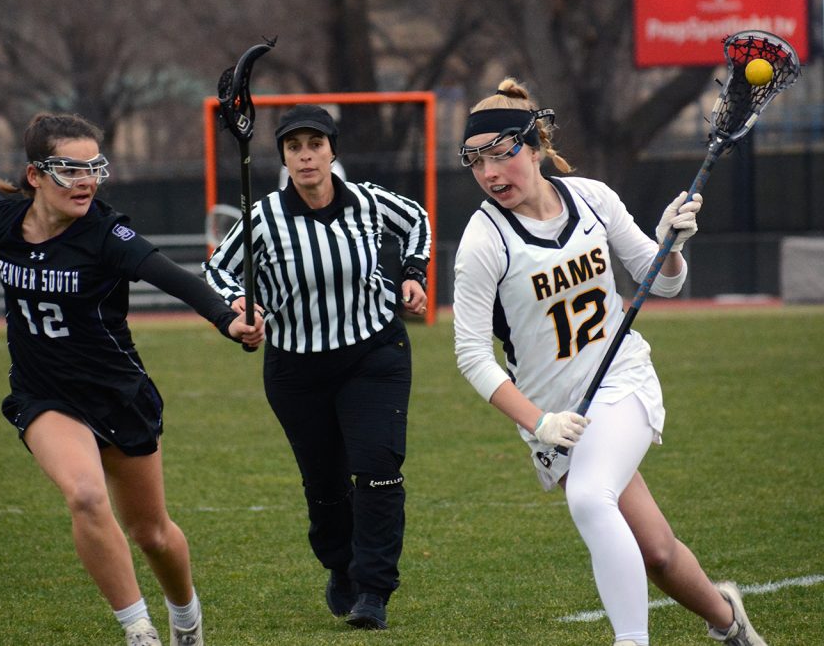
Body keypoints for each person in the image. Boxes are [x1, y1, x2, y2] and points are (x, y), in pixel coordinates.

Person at [0, 112, 264, 646]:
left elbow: (173, 277)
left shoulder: (107, 235)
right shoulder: (1, 220)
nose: (86, 181)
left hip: (117, 394)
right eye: (70, 170)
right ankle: (139, 632)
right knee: (84, 496)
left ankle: (186, 618)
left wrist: (228, 318)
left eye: (94, 168)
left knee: (151, 533)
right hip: (45, 395)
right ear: (35, 175)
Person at [452, 78, 768, 646]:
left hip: (622, 380)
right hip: (558, 418)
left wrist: (671, 244)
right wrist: (539, 421)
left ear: (535, 146)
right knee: (657, 552)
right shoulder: (484, 241)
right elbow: (472, 354)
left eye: (502, 155)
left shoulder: (593, 198)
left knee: (589, 497)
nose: (492, 174)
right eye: (477, 163)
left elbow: (663, 282)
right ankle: (730, 624)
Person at [203, 104, 431, 630]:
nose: (306, 156)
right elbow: (218, 270)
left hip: (374, 354)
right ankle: (340, 566)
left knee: (377, 469)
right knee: (325, 484)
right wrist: (238, 306)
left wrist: (413, 273)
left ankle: (374, 590)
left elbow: (416, 219)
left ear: (333, 150)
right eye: (294, 147)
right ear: (283, 157)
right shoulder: (263, 219)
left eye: (315, 145)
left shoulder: (370, 203)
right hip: (296, 368)